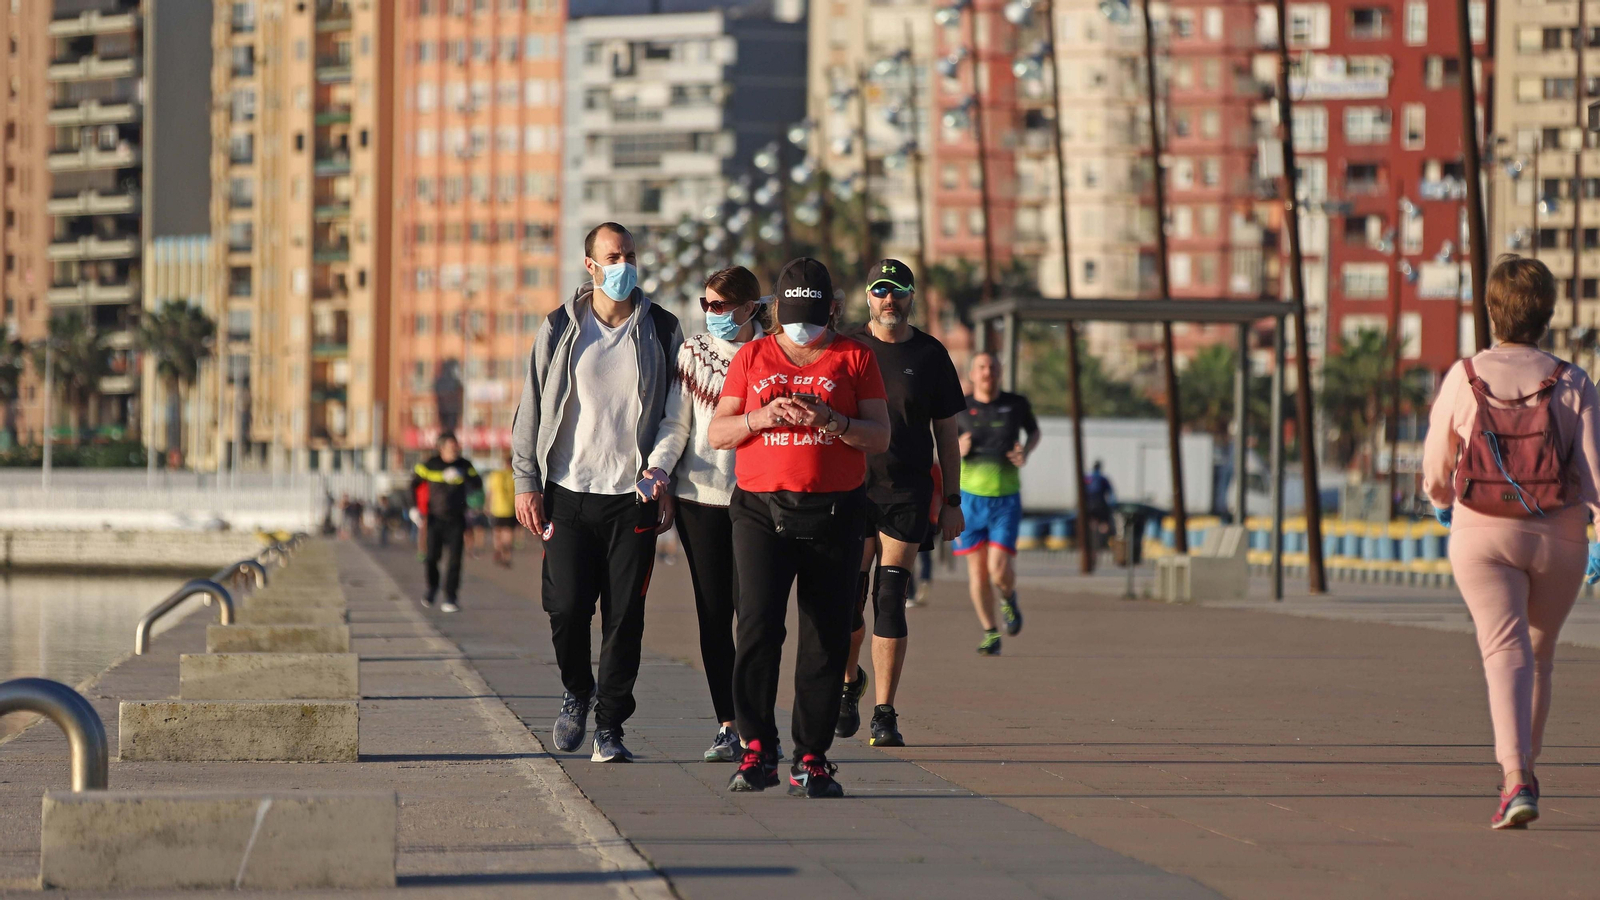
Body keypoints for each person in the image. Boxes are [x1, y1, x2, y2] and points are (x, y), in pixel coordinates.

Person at [1421, 254, 1600, 830]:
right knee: (1539, 655)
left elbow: (1434, 470)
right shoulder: (1573, 381)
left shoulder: (1464, 375)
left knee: (1504, 650)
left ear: (1492, 311)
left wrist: (1443, 506)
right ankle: (1526, 771)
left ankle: (1514, 777)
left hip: (1481, 532)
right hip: (1560, 537)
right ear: (1547, 314)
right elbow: (1596, 480)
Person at [708, 257, 890, 799]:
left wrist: (832, 421)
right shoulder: (753, 355)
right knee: (759, 627)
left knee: (826, 634)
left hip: (835, 511)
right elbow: (719, 431)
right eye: (793, 317)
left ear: (831, 310)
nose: (803, 329)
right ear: (777, 311)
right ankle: (757, 748)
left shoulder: (854, 355)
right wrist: (761, 418)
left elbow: (879, 435)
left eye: (814, 317)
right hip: (761, 510)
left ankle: (812, 756)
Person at [511, 222, 683, 764]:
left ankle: (610, 726)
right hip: (566, 492)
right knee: (565, 607)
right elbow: (531, 407)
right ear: (590, 265)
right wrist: (525, 481)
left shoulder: (661, 328)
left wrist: (665, 481)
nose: (624, 265)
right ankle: (576, 690)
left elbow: (677, 416)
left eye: (630, 254)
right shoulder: (561, 326)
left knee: (624, 616)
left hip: (632, 495)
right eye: (613, 256)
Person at [643, 266, 771, 762]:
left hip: (757, 500)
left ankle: (756, 721)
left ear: (748, 308)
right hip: (700, 498)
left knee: (755, 616)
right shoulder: (693, 353)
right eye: (705, 305)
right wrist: (659, 472)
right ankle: (729, 723)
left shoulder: (770, 354)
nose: (710, 314)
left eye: (719, 306)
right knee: (714, 614)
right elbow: (676, 422)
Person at [837, 260, 965, 748]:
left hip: (907, 492)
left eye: (899, 290)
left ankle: (884, 713)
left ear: (912, 297)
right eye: (881, 290)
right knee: (850, 599)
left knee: (890, 597)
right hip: (852, 488)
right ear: (868, 296)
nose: (890, 299)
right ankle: (849, 683)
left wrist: (951, 501)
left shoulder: (930, 355)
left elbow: (948, 438)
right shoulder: (846, 347)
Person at [954, 353, 1041, 656]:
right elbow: (940, 441)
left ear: (1000, 372)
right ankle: (990, 632)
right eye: (981, 367)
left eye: (992, 367)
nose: (987, 372)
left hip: (1005, 499)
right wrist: (956, 448)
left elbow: (1034, 432)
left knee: (998, 569)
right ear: (972, 374)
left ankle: (1008, 597)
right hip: (969, 500)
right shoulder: (959, 406)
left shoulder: (1016, 404)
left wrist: (1025, 452)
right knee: (977, 574)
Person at [411, 431, 483, 613]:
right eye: (451, 446)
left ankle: (451, 596)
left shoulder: (464, 464)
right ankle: (432, 588)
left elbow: (478, 483)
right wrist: (414, 508)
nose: (455, 449)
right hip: (435, 518)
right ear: (441, 448)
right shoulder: (429, 464)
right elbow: (413, 484)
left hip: (457, 519)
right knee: (432, 557)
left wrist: (463, 475)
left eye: (456, 446)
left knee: (455, 560)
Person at [485, 452, 519, 567]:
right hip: (510, 508)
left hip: (497, 508)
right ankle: (507, 554)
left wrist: (487, 505)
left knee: (497, 532)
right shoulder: (515, 475)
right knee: (508, 532)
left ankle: (498, 548)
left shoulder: (495, 475)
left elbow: (490, 492)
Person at [1084, 460, 1117, 549]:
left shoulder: (1088, 478)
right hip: (1100, 504)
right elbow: (1111, 493)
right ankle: (1102, 543)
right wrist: (1112, 505)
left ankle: (1092, 541)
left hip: (1089, 505)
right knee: (1104, 524)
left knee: (1092, 523)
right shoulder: (1103, 478)